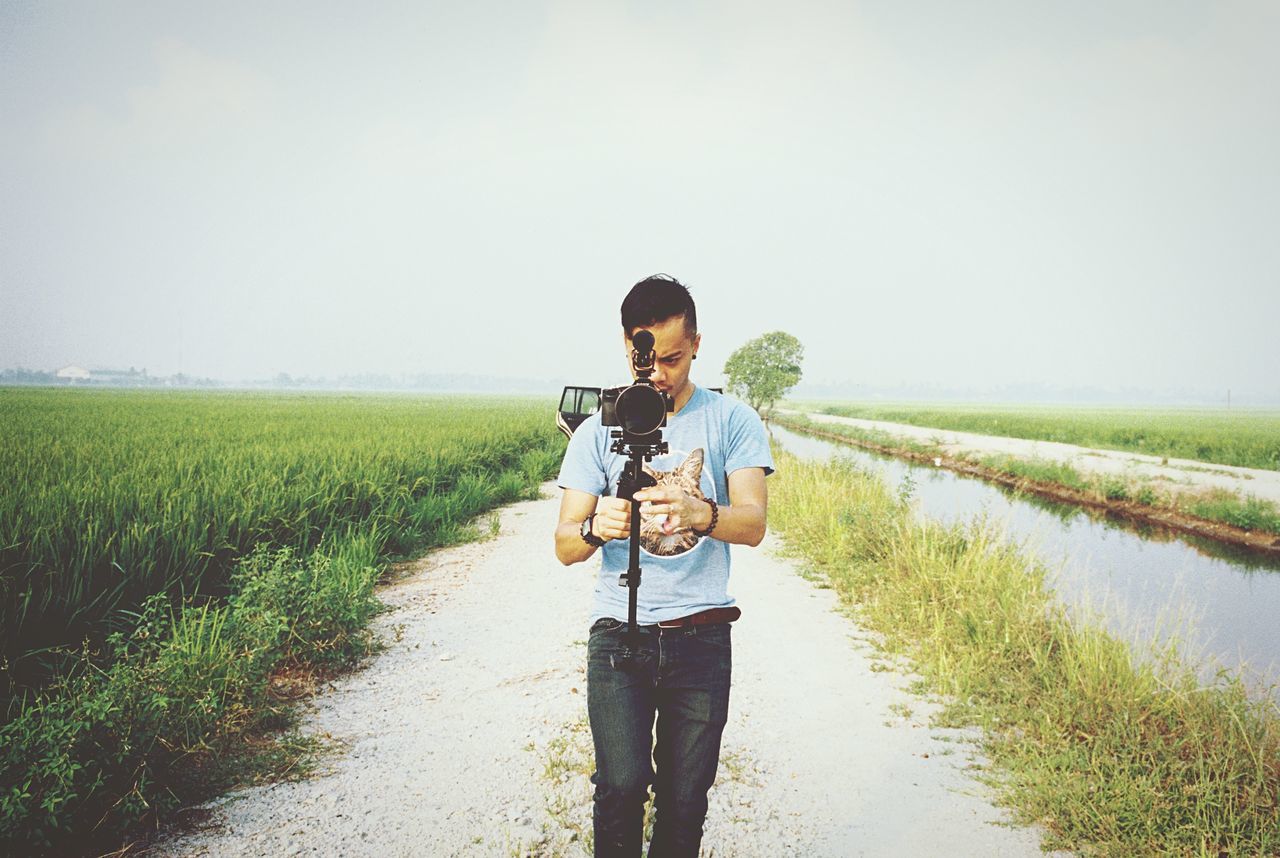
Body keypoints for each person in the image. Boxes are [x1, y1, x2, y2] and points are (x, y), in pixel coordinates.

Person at [554, 274, 774, 857]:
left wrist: (702, 513)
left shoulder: (732, 421)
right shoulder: (600, 427)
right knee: (621, 788)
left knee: (685, 799)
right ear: (627, 347)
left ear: (697, 343)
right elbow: (564, 546)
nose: (659, 374)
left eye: (674, 359)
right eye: (646, 358)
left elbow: (752, 524)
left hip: (701, 636)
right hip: (618, 634)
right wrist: (593, 527)